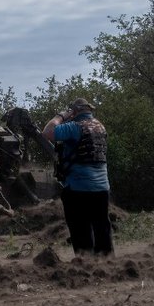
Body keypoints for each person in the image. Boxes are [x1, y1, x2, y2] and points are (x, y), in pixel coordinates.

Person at [42, 98, 113, 256]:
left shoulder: (75, 127)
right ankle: (108, 265)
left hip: (78, 187)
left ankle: (84, 267)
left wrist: (60, 116)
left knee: (80, 229)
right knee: (102, 227)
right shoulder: (100, 126)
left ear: (74, 112)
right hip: (102, 187)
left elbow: (47, 132)